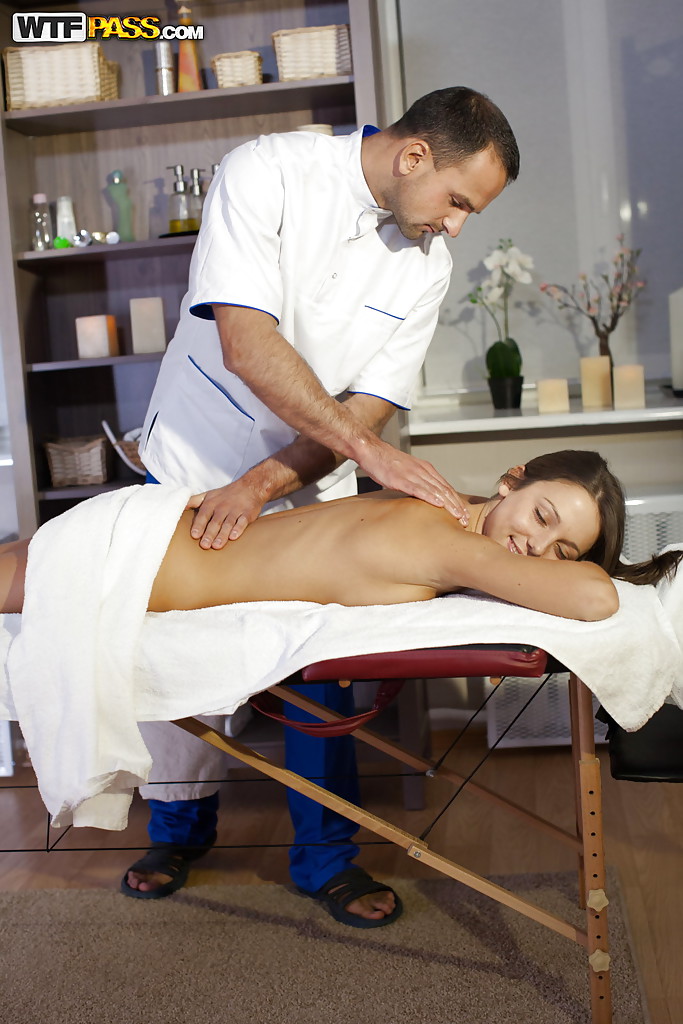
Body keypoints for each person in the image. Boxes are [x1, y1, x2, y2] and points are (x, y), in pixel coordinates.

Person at [127, 85, 521, 923]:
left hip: (307, 480)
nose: (456, 227)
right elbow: (246, 343)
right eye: (457, 202)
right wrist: (368, 455)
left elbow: (369, 405)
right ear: (413, 156)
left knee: (321, 670)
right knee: (171, 652)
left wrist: (264, 484)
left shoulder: (427, 265)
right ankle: (176, 831)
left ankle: (325, 857)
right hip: (192, 457)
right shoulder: (266, 171)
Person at [1, 450, 680, 926]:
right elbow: (595, 600)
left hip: (142, 533)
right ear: (511, 481)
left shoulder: (436, 503)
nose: (537, 547)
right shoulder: (450, 543)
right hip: (125, 564)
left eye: (562, 550)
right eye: (541, 516)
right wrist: (595, 570)